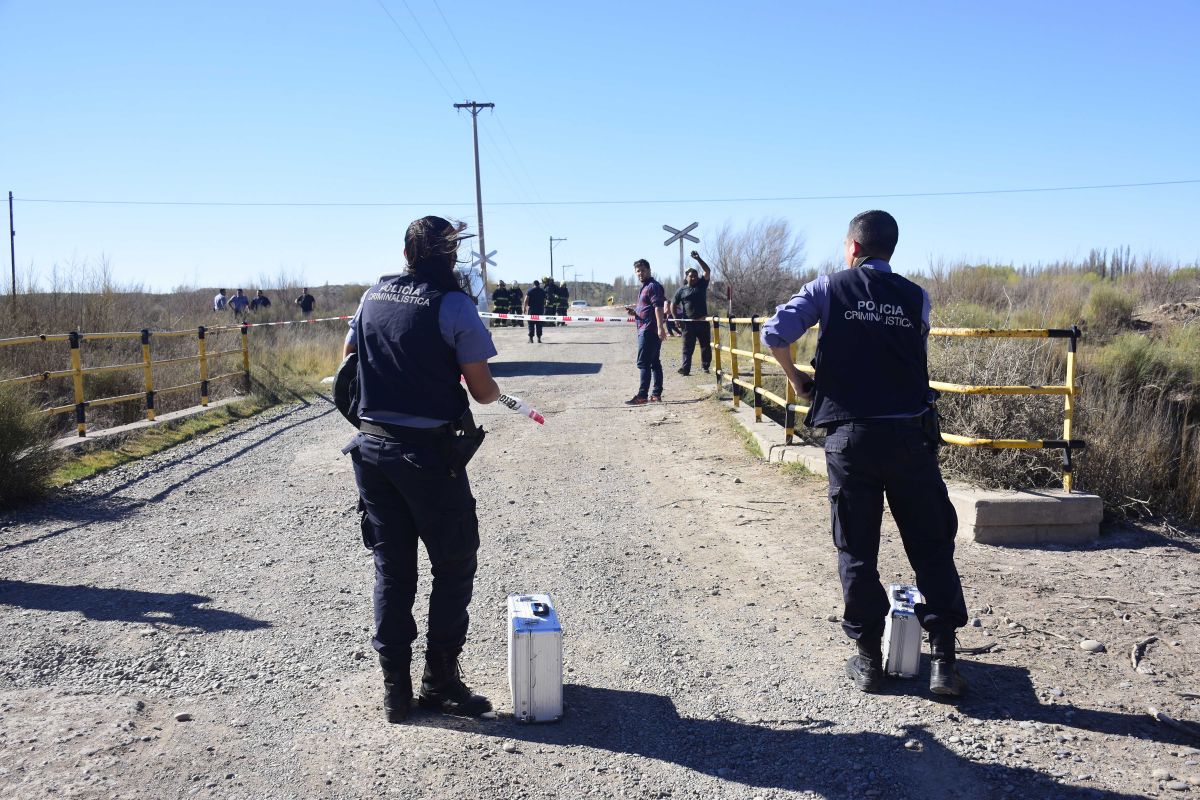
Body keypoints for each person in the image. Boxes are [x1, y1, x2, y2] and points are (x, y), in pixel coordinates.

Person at [761, 210, 968, 697]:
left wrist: (797, 379)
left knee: (856, 548)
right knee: (932, 544)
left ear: (852, 247)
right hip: (911, 437)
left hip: (851, 438)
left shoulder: (827, 288)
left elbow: (774, 333)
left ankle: (870, 660)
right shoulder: (917, 297)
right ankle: (943, 663)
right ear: (890, 249)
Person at [342, 215, 500, 723]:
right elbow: (483, 391)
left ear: (406, 254)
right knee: (454, 563)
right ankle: (440, 682)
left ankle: (396, 691)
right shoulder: (453, 304)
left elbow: (348, 359)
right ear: (450, 256)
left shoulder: (372, 295)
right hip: (428, 456)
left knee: (392, 568)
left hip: (372, 451)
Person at [623, 259, 668, 405]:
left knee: (643, 363)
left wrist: (660, 328)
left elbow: (658, 307)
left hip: (649, 330)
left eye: (643, 270)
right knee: (654, 362)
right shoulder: (645, 287)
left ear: (649, 270)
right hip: (646, 328)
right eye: (638, 271)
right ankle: (656, 394)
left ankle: (642, 395)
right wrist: (635, 313)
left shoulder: (653, 286)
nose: (640, 273)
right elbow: (647, 309)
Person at [670, 251, 713, 375]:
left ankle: (705, 366)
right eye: (691, 275)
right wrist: (676, 318)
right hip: (688, 324)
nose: (693, 277)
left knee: (705, 346)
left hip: (703, 322)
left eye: (695, 275)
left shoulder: (702, 285)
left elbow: (707, 271)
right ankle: (685, 369)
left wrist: (698, 259)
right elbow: (673, 304)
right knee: (687, 347)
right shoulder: (681, 290)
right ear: (686, 277)